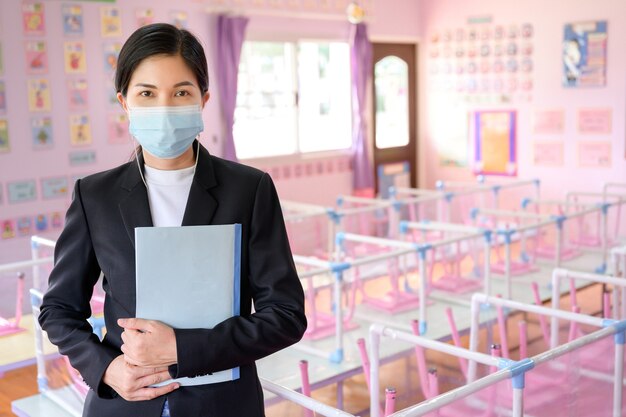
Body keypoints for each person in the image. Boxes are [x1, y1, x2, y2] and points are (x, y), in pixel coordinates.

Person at [39, 23, 307, 417]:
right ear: (125, 101)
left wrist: (182, 349)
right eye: (147, 93)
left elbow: (285, 314)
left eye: (181, 92)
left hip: (222, 404)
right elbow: (59, 310)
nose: (163, 108)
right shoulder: (94, 195)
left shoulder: (248, 190)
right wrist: (106, 370)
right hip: (123, 404)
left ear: (204, 99)